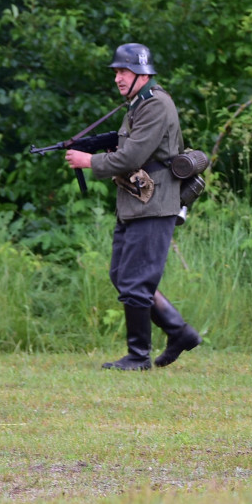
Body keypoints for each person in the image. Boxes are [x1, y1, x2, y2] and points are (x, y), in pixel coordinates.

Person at [66, 43, 202, 370]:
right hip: (135, 201)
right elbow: (127, 143)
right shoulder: (137, 105)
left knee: (136, 281)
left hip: (155, 203)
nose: (118, 78)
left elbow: (132, 157)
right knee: (121, 275)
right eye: (116, 72)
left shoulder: (156, 105)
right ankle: (179, 332)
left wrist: (89, 160)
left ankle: (138, 356)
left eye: (123, 71)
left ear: (142, 73)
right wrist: (93, 144)